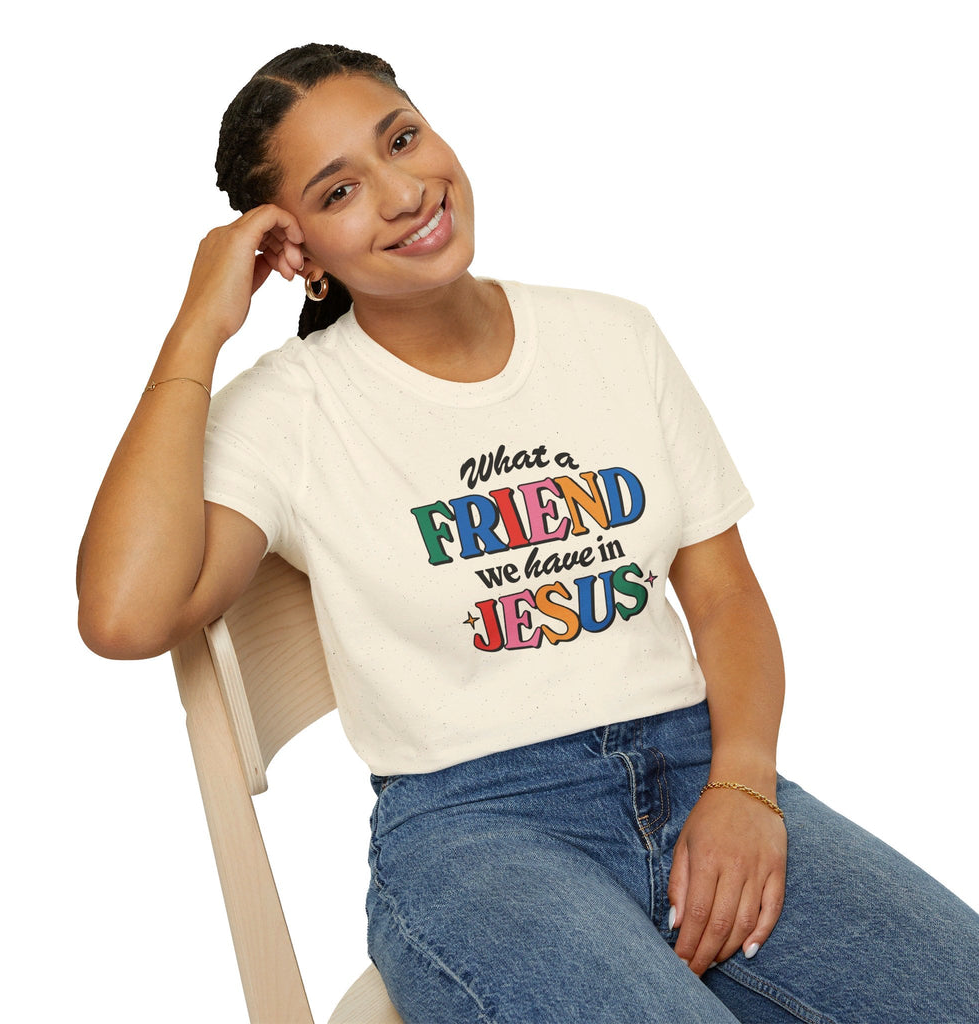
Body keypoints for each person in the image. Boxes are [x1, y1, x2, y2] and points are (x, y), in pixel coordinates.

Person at [77, 43, 979, 1023]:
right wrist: (196, 328)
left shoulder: (613, 337)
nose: (403, 191)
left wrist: (744, 786)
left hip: (697, 768)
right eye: (339, 192)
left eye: (403, 139)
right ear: (297, 253)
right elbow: (125, 614)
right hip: (477, 831)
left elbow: (722, 596)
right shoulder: (292, 410)